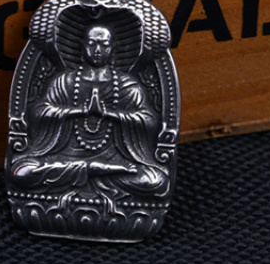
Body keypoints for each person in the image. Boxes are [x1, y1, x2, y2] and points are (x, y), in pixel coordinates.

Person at [10, 25, 169, 202]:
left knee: (156, 181)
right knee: (21, 172)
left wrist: (109, 114)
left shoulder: (128, 86)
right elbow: (38, 112)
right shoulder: (64, 82)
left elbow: (149, 120)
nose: (97, 50)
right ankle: (95, 170)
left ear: (113, 48)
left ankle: (97, 171)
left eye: (104, 44)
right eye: (92, 44)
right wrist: (78, 111)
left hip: (113, 159)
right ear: (83, 46)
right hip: (68, 158)